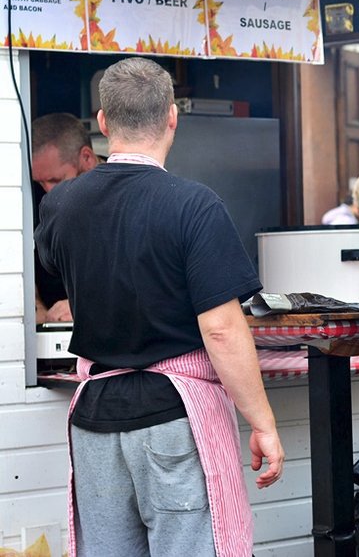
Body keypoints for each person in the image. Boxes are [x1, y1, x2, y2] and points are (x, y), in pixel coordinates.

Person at [35, 57, 284, 556]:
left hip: (95, 421)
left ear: (103, 123)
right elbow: (221, 330)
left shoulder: (60, 206)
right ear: (172, 117)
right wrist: (263, 424)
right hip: (173, 422)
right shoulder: (194, 205)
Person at [31, 113, 102, 323]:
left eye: (56, 180)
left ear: (87, 158)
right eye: (40, 182)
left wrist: (87, 306)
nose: (48, 192)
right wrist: (38, 310)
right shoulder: (30, 197)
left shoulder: (125, 195)